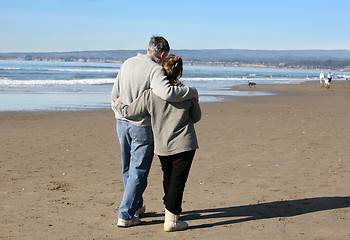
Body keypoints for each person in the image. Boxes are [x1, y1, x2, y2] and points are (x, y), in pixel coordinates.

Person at [111, 36, 198, 228]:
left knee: (127, 168)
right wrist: (192, 92)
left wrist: (119, 109)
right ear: (163, 54)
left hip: (121, 121)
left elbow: (114, 93)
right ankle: (125, 214)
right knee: (138, 171)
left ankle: (136, 206)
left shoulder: (127, 63)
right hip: (141, 125)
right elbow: (167, 93)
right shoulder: (155, 69)